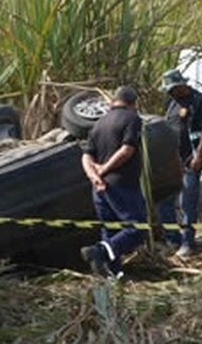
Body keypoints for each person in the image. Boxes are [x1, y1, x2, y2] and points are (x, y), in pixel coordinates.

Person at [79, 85, 147, 279]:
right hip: (122, 184)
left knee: (110, 229)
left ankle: (112, 274)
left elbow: (86, 156)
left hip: (99, 187)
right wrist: (105, 168)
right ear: (134, 103)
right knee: (137, 228)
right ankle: (98, 252)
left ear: (113, 101)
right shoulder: (132, 119)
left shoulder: (98, 124)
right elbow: (127, 150)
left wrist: (93, 176)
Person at [155, 68, 202, 257]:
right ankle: (173, 239)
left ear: (181, 85)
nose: (171, 93)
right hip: (171, 159)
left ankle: (188, 242)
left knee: (187, 201)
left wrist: (199, 155)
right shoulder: (171, 102)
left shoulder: (199, 101)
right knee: (164, 201)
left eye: (173, 89)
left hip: (190, 158)